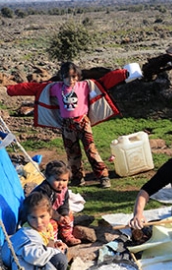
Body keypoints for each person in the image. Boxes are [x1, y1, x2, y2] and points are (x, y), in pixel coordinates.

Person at [6, 61, 141, 188]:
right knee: (72, 153)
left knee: (91, 150)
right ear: (62, 77)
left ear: (78, 76)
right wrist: (10, 90)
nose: (70, 80)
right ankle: (77, 178)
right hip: (67, 125)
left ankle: (103, 176)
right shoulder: (55, 88)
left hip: (83, 122)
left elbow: (106, 81)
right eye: (67, 77)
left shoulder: (85, 86)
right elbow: (33, 88)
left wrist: (124, 73)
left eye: (73, 76)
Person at [1, 192, 68, 270]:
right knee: (60, 258)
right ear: (27, 217)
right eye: (33, 217)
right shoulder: (28, 233)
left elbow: (47, 241)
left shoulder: (46, 227)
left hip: (35, 264)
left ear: (50, 214)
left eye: (42, 216)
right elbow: (34, 256)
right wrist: (55, 251)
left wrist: (56, 244)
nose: (38, 222)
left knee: (62, 250)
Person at [31, 160, 81, 246]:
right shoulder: (44, 190)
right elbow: (45, 209)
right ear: (47, 177)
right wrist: (58, 217)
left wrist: (64, 214)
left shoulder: (63, 189)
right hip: (43, 213)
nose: (61, 183)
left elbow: (65, 203)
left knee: (69, 215)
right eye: (57, 179)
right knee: (51, 224)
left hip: (55, 211)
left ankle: (67, 235)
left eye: (64, 180)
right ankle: (52, 242)